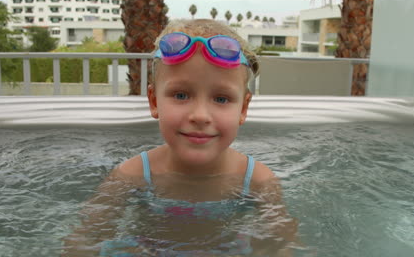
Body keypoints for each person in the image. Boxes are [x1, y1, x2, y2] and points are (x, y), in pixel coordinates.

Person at [62, 19, 297, 257]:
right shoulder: (133, 175)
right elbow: (86, 238)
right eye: (181, 95)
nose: (200, 116)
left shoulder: (258, 180)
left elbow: (281, 244)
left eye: (221, 99)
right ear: (154, 101)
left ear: (243, 108)